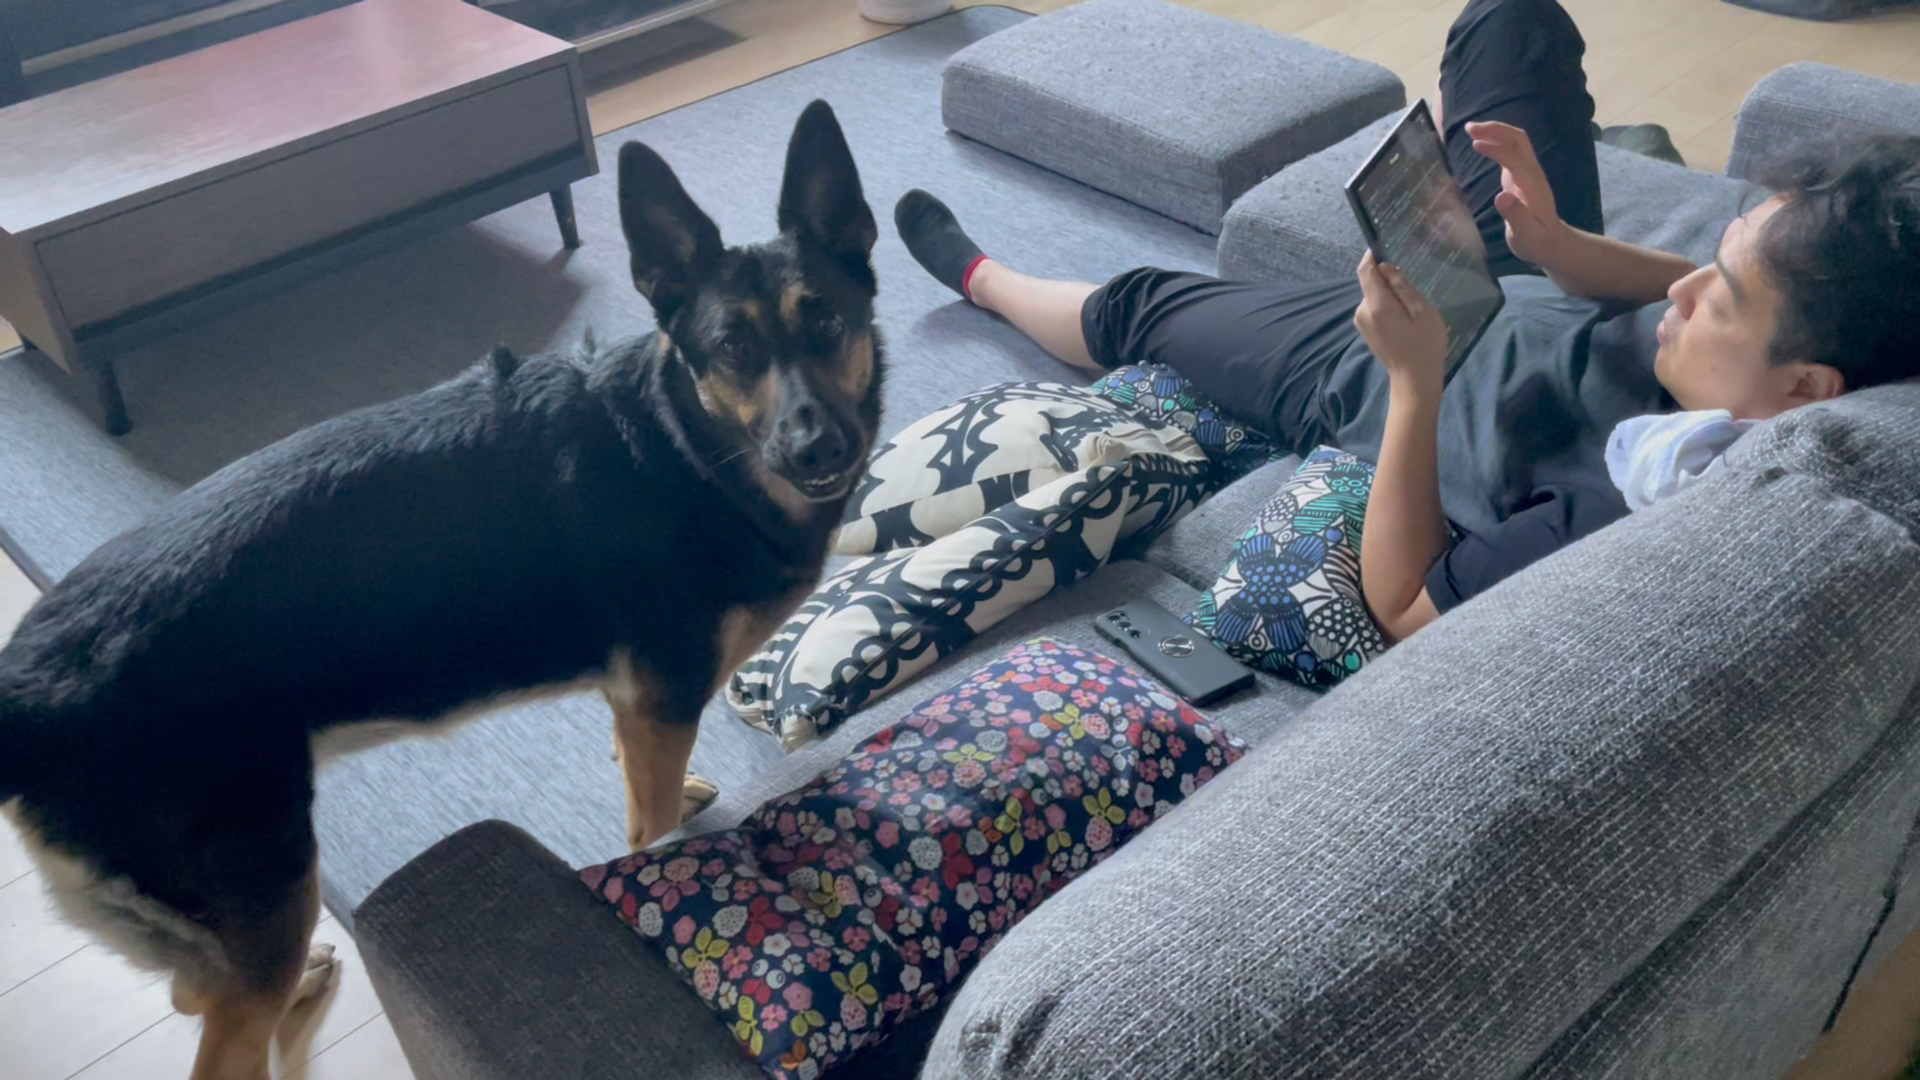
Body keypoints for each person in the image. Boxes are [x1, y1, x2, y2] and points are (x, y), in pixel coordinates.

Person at [892, 0, 1920, 643]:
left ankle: (986, 279)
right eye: (1715, 265)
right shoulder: (1805, 355)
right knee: (1512, 17)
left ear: (1806, 390)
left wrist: (1413, 382)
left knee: (1145, 305)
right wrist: (1562, 245)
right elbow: (1685, 287)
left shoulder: (1627, 502)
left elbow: (1402, 608)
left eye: (1720, 300)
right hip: (1524, 281)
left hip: (1395, 373)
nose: (1685, 294)